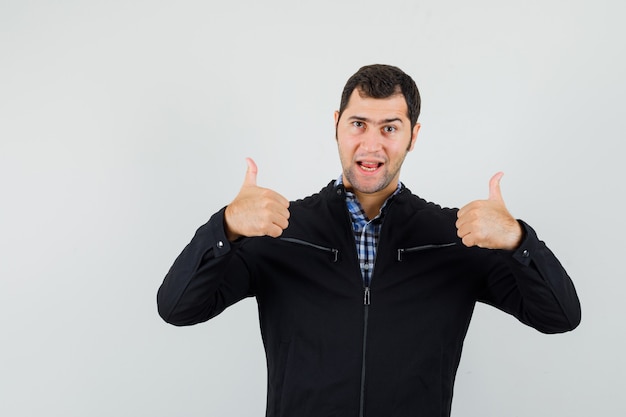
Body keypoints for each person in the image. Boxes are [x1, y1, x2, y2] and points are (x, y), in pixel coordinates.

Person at [157, 64, 581, 417]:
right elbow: (178, 307)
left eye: (390, 128)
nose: (371, 143)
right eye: (358, 123)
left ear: (413, 135)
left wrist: (518, 239)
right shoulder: (279, 230)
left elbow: (559, 316)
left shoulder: (455, 239)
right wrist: (225, 227)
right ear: (337, 126)